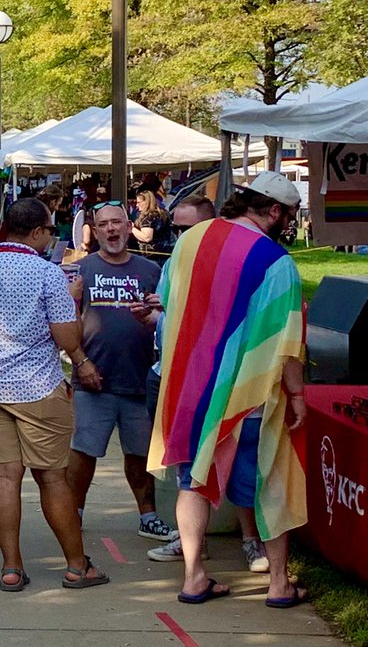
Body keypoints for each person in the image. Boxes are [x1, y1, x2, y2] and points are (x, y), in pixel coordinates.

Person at [148, 171, 307, 607]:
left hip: (191, 390)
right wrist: (297, 395)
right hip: (248, 399)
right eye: (289, 215)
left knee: (192, 482)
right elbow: (287, 344)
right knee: (269, 484)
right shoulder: (276, 262)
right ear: (274, 211)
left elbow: (167, 302)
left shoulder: (190, 241)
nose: (290, 224)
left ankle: (195, 576)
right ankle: (278, 584)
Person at [0, 198, 109, 592]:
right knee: (53, 478)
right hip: (36, 386)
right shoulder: (46, 273)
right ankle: (76, 565)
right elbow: (65, 335)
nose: (52, 238)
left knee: (3, 475)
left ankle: (11, 566)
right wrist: (80, 357)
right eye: (51, 230)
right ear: (37, 232)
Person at [144, 195, 270, 573]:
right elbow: (167, 317)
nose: (181, 235)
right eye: (177, 228)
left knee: (242, 468)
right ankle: (190, 547)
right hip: (171, 378)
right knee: (185, 466)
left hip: (221, 384)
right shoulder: (175, 262)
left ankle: (251, 540)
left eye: (190, 228)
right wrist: (150, 316)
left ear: (211, 225)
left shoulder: (233, 263)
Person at [65, 202, 174, 541]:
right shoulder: (80, 270)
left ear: (129, 227)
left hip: (140, 379)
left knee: (140, 454)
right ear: (94, 232)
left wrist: (160, 309)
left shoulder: (151, 270)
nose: (111, 230)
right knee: (84, 452)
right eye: (103, 225)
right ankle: (73, 513)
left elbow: (167, 319)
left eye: (117, 223)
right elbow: (64, 326)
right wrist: (81, 363)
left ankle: (149, 516)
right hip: (92, 380)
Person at [131, 188, 172, 264]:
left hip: (152, 257)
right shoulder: (163, 213)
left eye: (139, 202)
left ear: (146, 202)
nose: (137, 205)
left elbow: (147, 237)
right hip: (166, 253)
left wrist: (132, 227)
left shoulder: (148, 217)